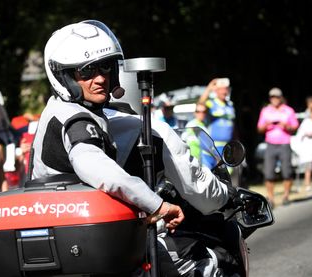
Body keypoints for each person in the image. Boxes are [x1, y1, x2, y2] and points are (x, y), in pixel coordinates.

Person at [32, 20, 234, 276]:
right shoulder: (76, 120)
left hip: (67, 239)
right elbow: (95, 166)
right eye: (86, 72)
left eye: (105, 67)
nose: (101, 78)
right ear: (64, 77)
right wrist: (158, 205)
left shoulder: (58, 111)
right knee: (199, 261)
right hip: (82, 244)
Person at [257, 88, 299, 207]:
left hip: (284, 143)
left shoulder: (288, 110)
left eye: (276, 97)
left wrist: (286, 126)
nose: (274, 99)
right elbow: (259, 128)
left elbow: (295, 126)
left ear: (280, 98)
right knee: (269, 173)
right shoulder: (265, 111)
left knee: (287, 171)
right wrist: (267, 125)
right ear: (270, 98)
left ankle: (286, 196)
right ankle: (271, 198)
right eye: (272, 97)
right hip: (270, 144)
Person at [198, 78, 235, 168]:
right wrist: (209, 87)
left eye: (226, 89)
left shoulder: (230, 105)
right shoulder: (211, 103)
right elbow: (200, 103)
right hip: (212, 147)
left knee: (225, 178)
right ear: (216, 91)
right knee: (210, 175)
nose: (224, 91)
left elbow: (233, 125)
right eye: (221, 89)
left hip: (227, 146)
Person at [292, 96, 312, 193]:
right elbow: (301, 133)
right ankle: (307, 184)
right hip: (308, 147)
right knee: (308, 166)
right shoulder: (306, 120)